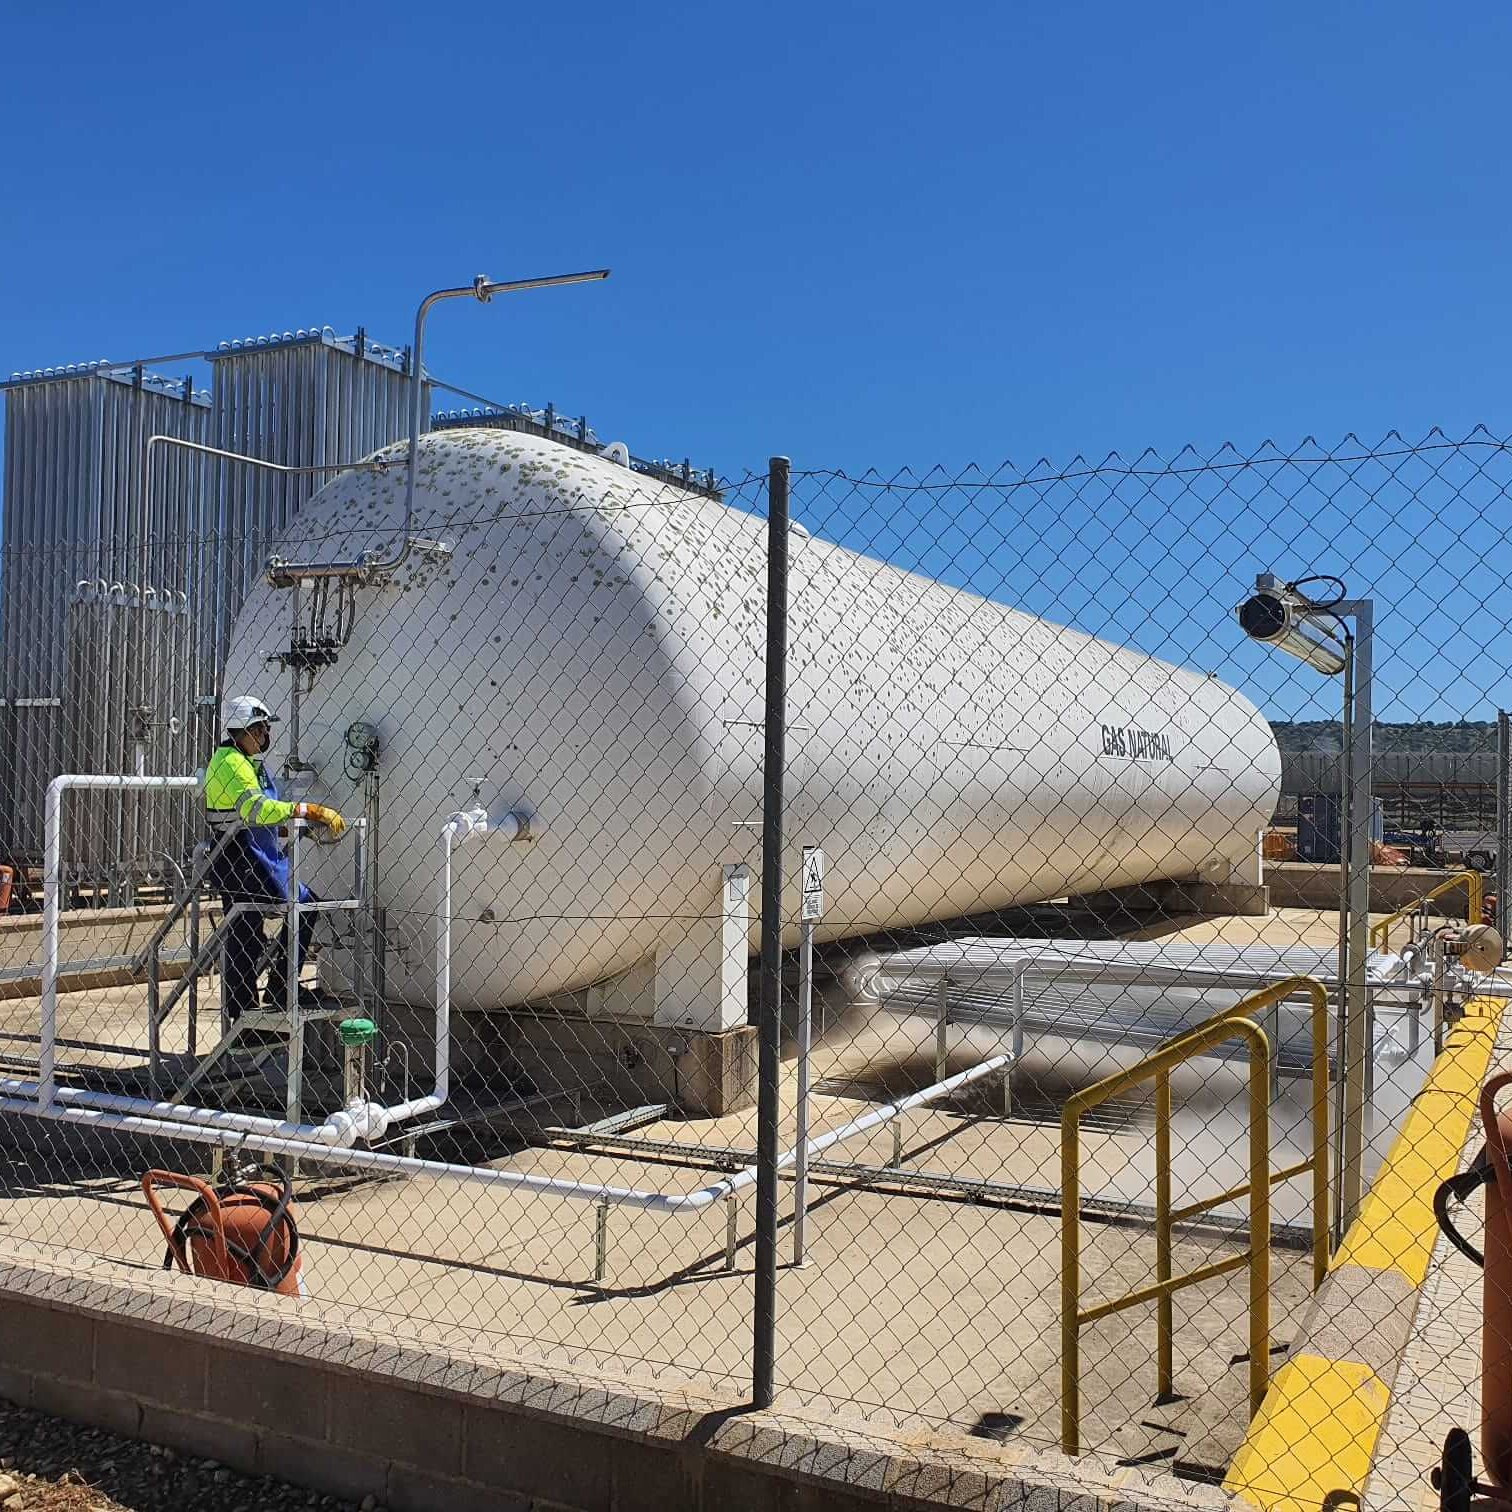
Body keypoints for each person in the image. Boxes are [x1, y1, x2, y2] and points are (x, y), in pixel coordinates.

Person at [203, 696, 347, 1024]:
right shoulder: (230, 763)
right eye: (260, 729)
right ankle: (264, 999)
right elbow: (256, 809)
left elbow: (268, 810)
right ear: (242, 730)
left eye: (265, 729)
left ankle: (257, 1002)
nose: (265, 735)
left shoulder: (250, 763)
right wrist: (306, 810)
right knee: (285, 913)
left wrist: (301, 827)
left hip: (257, 857)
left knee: (250, 929)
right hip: (241, 858)